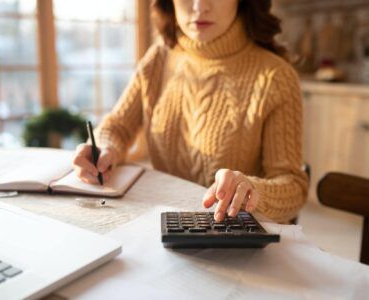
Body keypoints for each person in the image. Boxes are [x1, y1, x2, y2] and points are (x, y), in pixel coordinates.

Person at [72, 0, 308, 224]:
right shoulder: (158, 58)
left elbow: (293, 186)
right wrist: (104, 149)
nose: (199, 7)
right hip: (165, 225)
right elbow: (118, 127)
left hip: (236, 240)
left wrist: (253, 190)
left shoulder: (276, 77)